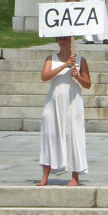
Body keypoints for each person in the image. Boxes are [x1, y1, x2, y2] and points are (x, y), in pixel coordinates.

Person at [37, 28, 92, 186]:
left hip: (72, 101)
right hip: (53, 100)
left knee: (73, 134)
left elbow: (88, 84)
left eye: (65, 38)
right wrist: (64, 65)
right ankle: (45, 175)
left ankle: (75, 176)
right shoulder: (51, 58)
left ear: (70, 40)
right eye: (60, 38)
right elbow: (44, 76)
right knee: (50, 134)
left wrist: (78, 76)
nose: (62, 41)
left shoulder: (80, 60)